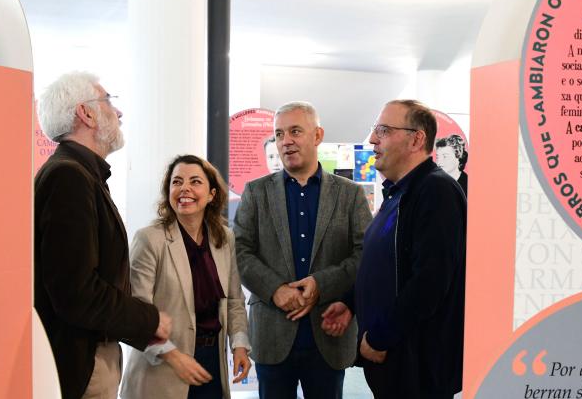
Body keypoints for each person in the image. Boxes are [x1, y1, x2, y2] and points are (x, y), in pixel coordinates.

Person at [34, 71, 172, 399]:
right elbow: (77, 293)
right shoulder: (69, 177)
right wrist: (149, 320)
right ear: (87, 113)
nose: (119, 113)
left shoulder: (77, 174)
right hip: (81, 363)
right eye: (109, 101)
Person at [322, 99, 466, 399]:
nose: (373, 140)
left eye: (383, 131)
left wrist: (380, 337)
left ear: (417, 139)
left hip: (416, 367)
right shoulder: (401, 191)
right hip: (395, 362)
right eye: (375, 130)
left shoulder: (435, 191)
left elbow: (430, 282)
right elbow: (387, 264)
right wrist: (352, 302)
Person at [235, 101, 371, 399]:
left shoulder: (350, 195)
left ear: (318, 135)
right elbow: (240, 252)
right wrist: (275, 290)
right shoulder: (256, 192)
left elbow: (364, 255)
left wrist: (321, 284)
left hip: (328, 333)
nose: (286, 141)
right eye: (279, 134)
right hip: (272, 332)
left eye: (295, 131)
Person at [121, 155, 252, 399]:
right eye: (177, 182)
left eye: (195, 182)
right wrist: (173, 355)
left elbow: (234, 300)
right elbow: (137, 310)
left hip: (211, 364)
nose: (185, 189)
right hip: (161, 368)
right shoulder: (149, 239)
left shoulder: (224, 239)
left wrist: (240, 345)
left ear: (212, 194)